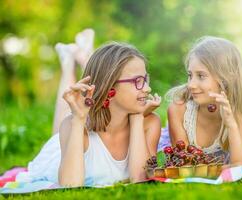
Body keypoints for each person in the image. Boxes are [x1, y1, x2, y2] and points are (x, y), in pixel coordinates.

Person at [16, 32, 161, 187]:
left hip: (94, 113)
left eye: (145, 79)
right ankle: (68, 62)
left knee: (75, 112)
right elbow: (70, 185)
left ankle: (82, 55)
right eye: (138, 81)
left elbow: (140, 178)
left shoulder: (150, 123)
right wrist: (78, 120)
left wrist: (137, 117)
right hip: (59, 154)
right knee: (69, 116)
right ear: (109, 87)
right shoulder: (76, 128)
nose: (147, 88)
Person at [166, 36, 242, 165]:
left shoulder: (237, 115)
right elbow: (185, 165)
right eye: (190, 75)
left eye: (201, 76)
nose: (191, 85)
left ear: (225, 79)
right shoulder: (178, 110)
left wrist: (231, 125)